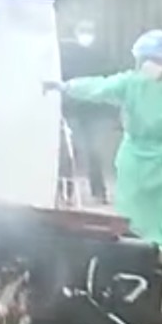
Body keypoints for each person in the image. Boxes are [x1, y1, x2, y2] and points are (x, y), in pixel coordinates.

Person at [44, 29, 162, 324]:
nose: (147, 65)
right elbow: (99, 87)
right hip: (137, 168)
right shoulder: (131, 84)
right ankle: (139, 300)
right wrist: (66, 87)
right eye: (143, 59)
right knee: (138, 238)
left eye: (153, 59)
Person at [59, 19, 114, 204]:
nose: (86, 35)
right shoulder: (66, 53)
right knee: (70, 151)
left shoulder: (100, 55)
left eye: (89, 31)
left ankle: (98, 192)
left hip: (93, 111)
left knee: (93, 151)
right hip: (73, 110)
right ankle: (65, 193)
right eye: (83, 30)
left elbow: (106, 82)